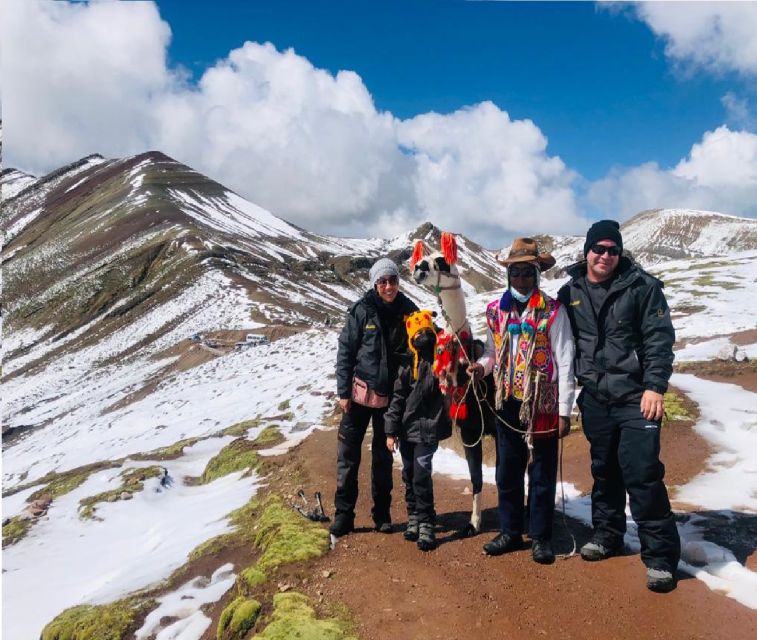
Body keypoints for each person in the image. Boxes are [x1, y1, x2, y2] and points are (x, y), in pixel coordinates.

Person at [557, 219, 680, 593]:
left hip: (635, 396)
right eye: (599, 248)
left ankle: (659, 558)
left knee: (642, 473)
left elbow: (658, 339)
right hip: (595, 397)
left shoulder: (643, 287)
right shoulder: (571, 291)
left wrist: (655, 386)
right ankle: (607, 536)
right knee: (604, 470)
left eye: (613, 250)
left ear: (620, 253)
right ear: (587, 252)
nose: (605, 256)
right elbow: (557, 341)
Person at [469, 238, 575, 564]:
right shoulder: (495, 312)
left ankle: (541, 537)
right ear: (508, 276)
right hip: (507, 400)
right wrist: (480, 367)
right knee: (507, 470)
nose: (521, 280)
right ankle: (511, 531)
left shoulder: (553, 312)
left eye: (527, 273)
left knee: (541, 472)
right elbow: (491, 353)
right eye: (515, 273)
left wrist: (564, 411)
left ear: (537, 274)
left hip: (543, 400)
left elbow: (566, 360)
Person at [331, 257, 418, 537]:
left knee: (383, 456)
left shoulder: (408, 310)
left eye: (392, 280)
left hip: (391, 398)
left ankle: (382, 515)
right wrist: (343, 391)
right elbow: (346, 350)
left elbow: (422, 339)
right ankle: (344, 516)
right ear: (374, 283)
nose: (388, 286)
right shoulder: (361, 311)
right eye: (382, 281)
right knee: (348, 457)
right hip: (358, 395)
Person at [384, 310, 452, 551]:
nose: (423, 336)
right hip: (406, 432)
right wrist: (390, 432)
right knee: (409, 474)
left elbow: (451, 341)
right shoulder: (405, 366)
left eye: (427, 331)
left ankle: (426, 522)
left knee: (421, 476)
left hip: (428, 431)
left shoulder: (441, 362)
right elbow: (396, 400)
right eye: (418, 332)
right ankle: (413, 515)